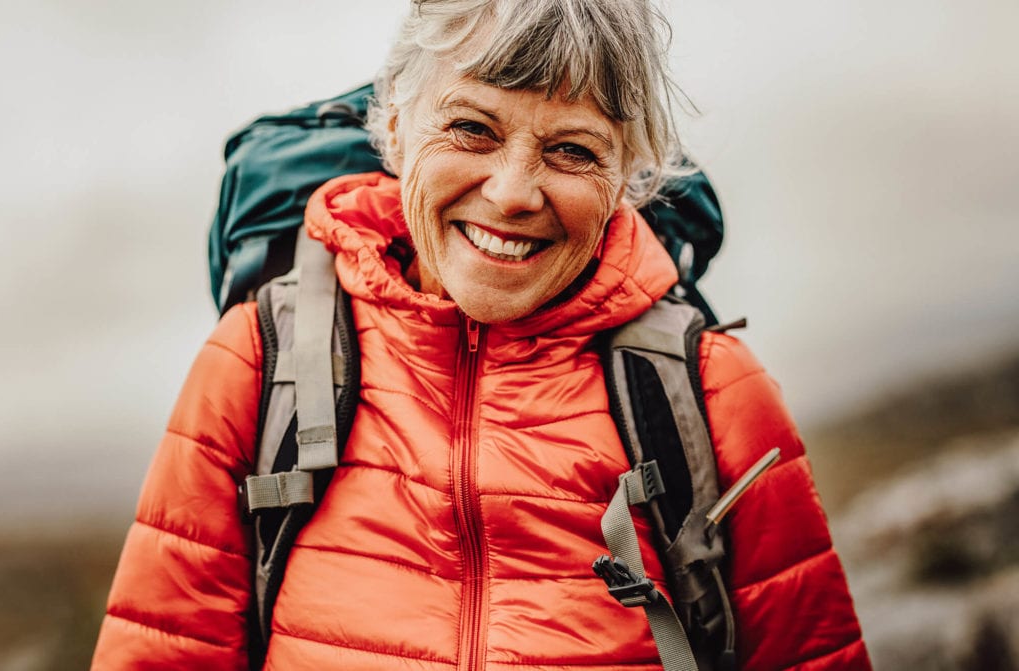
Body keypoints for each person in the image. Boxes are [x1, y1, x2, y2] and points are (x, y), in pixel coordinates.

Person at [92, 0, 871, 669]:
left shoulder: (711, 390)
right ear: (395, 129)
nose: (512, 192)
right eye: (472, 128)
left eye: (572, 150)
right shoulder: (259, 361)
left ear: (625, 179)